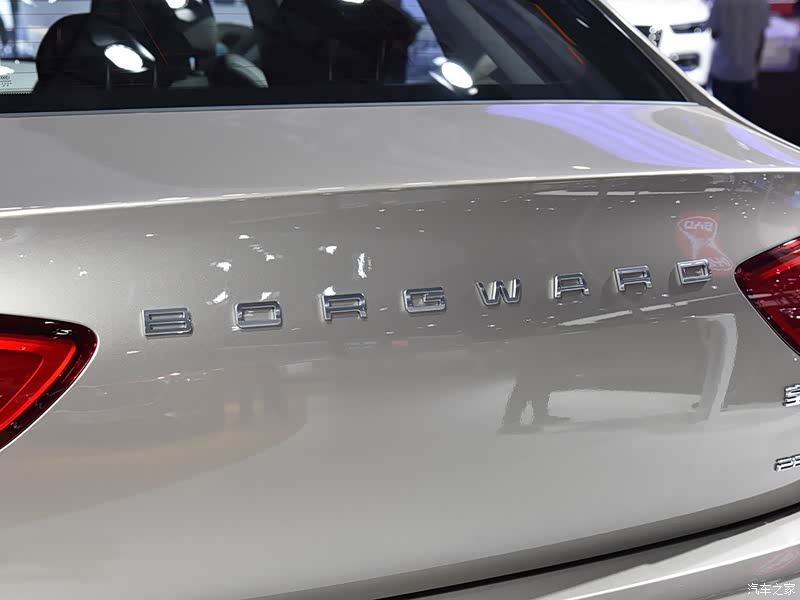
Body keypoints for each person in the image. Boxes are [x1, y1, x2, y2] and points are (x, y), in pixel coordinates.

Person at [708, 0, 770, 119]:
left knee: (723, 118)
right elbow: (761, 38)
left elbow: (714, 33)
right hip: (747, 71)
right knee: (744, 119)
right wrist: (756, 69)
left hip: (722, 70)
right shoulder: (761, 2)